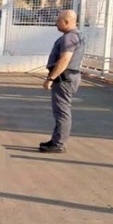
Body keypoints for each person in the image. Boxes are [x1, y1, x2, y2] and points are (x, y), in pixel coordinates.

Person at [40, 9, 85, 153]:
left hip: (64, 79)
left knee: (62, 111)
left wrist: (51, 78)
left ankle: (58, 143)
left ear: (66, 22)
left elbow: (65, 59)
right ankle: (56, 139)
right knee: (60, 110)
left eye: (58, 20)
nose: (56, 23)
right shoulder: (76, 35)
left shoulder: (69, 38)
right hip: (69, 77)